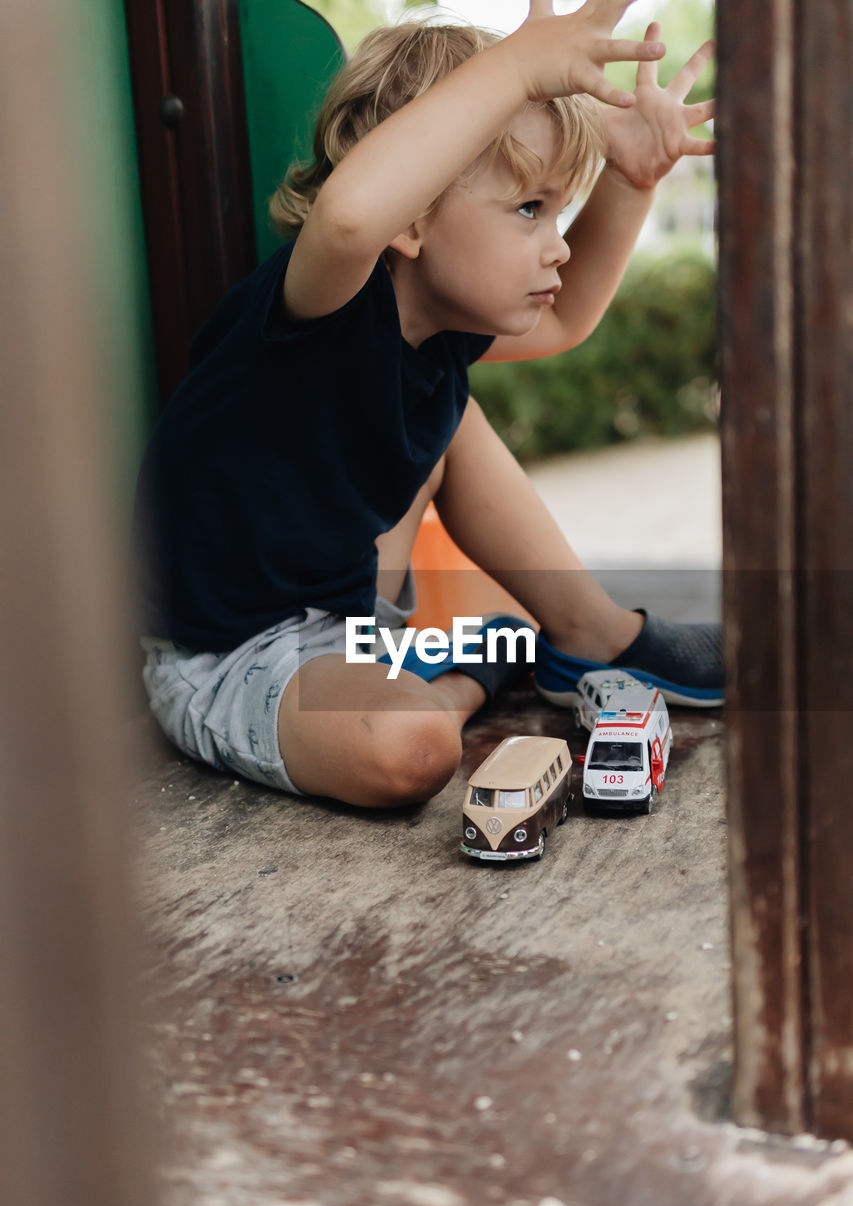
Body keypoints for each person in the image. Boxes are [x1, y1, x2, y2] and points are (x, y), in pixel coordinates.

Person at [134, 0, 720, 809]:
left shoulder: (438, 330)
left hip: (346, 610)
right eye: (528, 210)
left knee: (453, 415)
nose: (557, 241)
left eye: (558, 209)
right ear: (409, 219)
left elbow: (564, 320)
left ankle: (592, 634)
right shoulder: (322, 305)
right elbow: (346, 219)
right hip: (231, 652)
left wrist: (627, 181)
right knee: (412, 748)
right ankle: (459, 676)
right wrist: (515, 66)